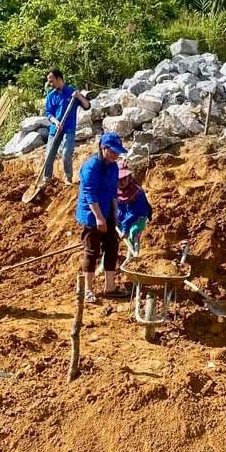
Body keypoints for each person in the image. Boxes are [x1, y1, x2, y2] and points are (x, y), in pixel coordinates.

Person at [76, 133, 127, 303]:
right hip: (91, 214)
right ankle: (88, 290)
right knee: (92, 251)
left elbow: (113, 193)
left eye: (118, 152)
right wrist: (99, 218)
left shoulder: (113, 167)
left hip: (106, 210)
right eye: (113, 151)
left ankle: (110, 287)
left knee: (112, 246)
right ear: (103, 148)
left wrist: (114, 216)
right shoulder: (91, 167)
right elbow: (90, 194)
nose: (116, 155)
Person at [42, 69, 90, 185]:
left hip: (69, 129)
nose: (50, 84)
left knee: (66, 153)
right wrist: (56, 121)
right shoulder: (51, 96)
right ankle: (47, 179)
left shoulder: (72, 92)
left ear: (59, 79)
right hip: (55, 128)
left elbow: (87, 105)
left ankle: (68, 178)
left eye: (52, 81)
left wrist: (79, 96)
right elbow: (49, 114)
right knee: (49, 153)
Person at [116, 161, 152, 256]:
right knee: (111, 238)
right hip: (121, 218)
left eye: (124, 178)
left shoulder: (137, 193)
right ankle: (104, 264)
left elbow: (133, 213)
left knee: (133, 234)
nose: (122, 182)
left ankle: (132, 259)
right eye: (118, 179)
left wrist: (124, 229)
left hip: (138, 217)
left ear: (129, 177)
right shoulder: (113, 191)